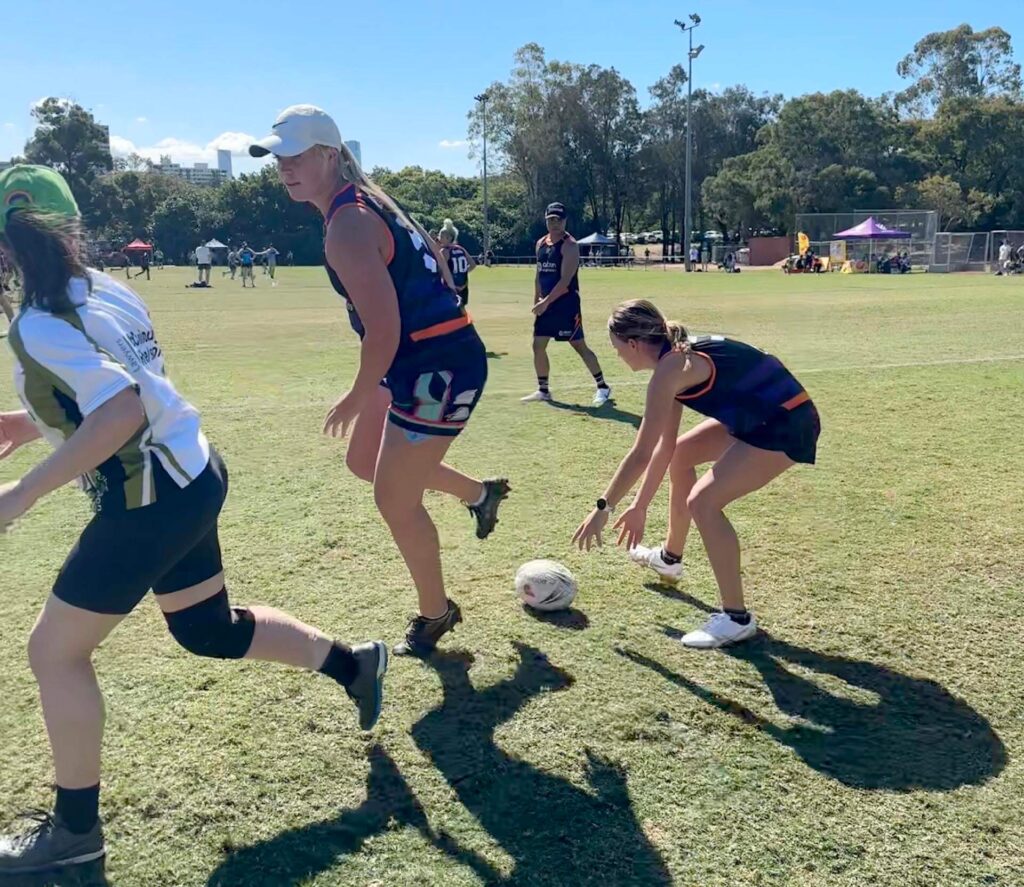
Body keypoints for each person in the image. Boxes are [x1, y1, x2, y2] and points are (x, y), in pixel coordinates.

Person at [0, 165, 388, 875]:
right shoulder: (107, 287)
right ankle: (354, 664)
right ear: (72, 224)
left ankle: (75, 834)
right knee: (208, 631)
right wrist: (33, 423)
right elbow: (129, 386)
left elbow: (121, 410)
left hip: (150, 500)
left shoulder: (35, 323)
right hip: (194, 474)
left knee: (54, 653)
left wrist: (19, 496)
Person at [250, 104, 510, 656]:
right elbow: (437, 266)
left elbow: (384, 329)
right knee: (364, 461)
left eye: (296, 156)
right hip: (421, 360)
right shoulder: (366, 199)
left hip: (436, 368)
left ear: (329, 155)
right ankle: (480, 494)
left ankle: (436, 614)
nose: (284, 168)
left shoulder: (347, 224)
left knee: (394, 498)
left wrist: (358, 393)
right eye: (278, 158)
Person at [572, 299, 820, 650]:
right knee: (682, 455)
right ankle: (669, 560)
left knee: (703, 502)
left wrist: (603, 507)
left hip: (787, 423)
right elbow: (664, 448)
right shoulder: (673, 360)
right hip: (762, 416)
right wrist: (639, 505)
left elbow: (641, 453)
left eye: (617, 348)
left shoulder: (670, 370)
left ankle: (736, 618)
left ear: (633, 344)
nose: (617, 355)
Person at [521, 203, 611, 406]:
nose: (555, 223)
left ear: (565, 221)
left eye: (558, 220)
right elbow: (539, 274)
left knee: (579, 345)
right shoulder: (540, 243)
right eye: (551, 219)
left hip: (566, 305)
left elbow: (565, 282)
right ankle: (543, 390)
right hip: (546, 305)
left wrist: (545, 302)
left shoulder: (570, 245)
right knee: (538, 345)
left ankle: (603, 387)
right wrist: (536, 299)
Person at [437, 219, 476, 306]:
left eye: (442, 237)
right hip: (463, 286)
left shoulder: (444, 251)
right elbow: (473, 265)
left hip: (450, 287)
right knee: (461, 310)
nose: (439, 239)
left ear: (449, 238)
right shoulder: (461, 249)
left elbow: (439, 270)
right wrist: (462, 272)